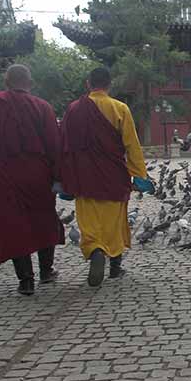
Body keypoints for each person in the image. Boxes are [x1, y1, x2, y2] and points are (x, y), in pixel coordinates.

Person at [0, 64, 65, 296]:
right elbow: (55, 146)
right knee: (43, 220)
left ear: (6, 82)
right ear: (30, 83)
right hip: (38, 176)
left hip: (5, 177)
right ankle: (46, 271)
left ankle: (26, 280)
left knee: (14, 226)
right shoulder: (42, 107)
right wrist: (57, 176)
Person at [60, 66, 149, 288]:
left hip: (83, 177)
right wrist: (139, 175)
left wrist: (63, 177)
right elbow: (132, 145)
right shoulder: (119, 108)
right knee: (115, 222)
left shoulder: (73, 109)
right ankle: (115, 267)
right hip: (113, 175)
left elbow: (63, 145)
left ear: (88, 84)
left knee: (89, 221)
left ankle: (95, 250)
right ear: (109, 85)